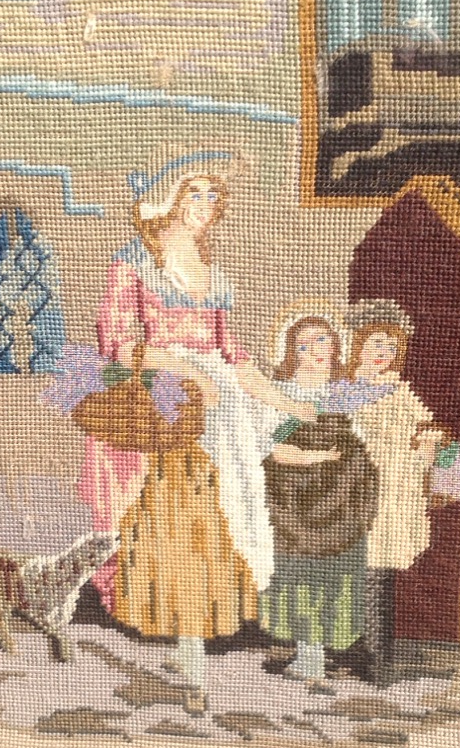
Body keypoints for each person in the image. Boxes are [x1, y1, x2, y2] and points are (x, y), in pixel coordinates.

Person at [78, 151, 314, 711]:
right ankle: (188, 658)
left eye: (214, 198)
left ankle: (201, 650)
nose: (207, 207)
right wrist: (182, 367)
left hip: (220, 413)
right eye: (196, 195)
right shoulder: (133, 265)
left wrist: (285, 401)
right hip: (169, 415)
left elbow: (233, 356)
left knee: (228, 521)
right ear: (170, 198)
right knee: (180, 530)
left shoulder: (216, 278)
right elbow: (117, 346)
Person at [261, 306, 379, 691]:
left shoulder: (343, 390)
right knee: (299, 573)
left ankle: (326, 651)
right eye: (308, 343)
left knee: (338, 574)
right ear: (293, 351)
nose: (320, 349)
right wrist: (317, 457)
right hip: (296, 496)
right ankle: (307, 652)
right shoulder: (284, 392)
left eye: (325, 339)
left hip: (344, 493)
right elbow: (275, 448)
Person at [342, 300, 446, 683]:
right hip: (356, 493)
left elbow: (415, 445)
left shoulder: (400, 393)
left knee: (379, 575)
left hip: (395, 497)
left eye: (389, 348)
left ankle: (378, 655)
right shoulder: (344, 392)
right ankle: (359, 649)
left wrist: (428, 450)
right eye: (374, 345)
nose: (381, 355)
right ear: (357, 348)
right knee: (357, 573)